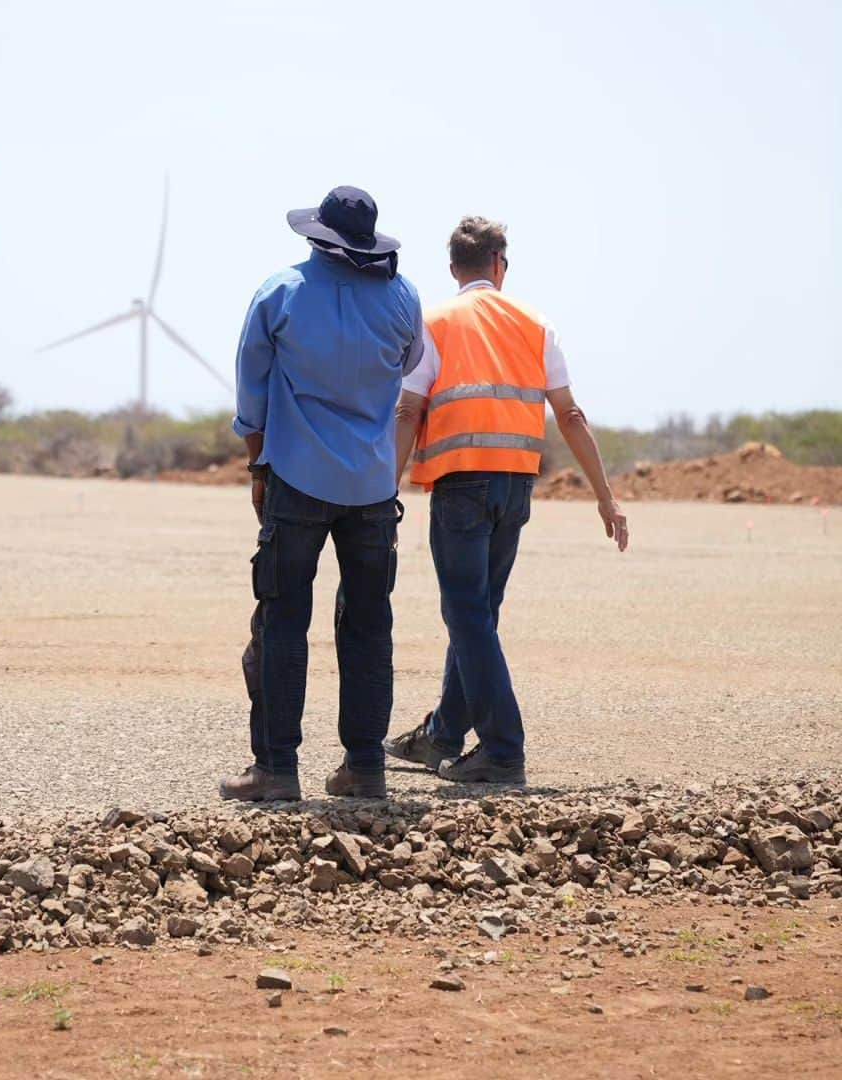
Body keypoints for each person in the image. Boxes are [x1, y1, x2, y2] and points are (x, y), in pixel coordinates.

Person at [385, 216, 628, 785]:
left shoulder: (434, 321)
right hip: (516, 485)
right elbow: (569, 414)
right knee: (479, 614)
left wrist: (382, 493)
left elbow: (407, 410)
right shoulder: (536, 324)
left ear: (453, 269)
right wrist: (605, 497)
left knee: (467, 613)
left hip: (459, 483)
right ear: (500, 264)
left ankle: (502, 748)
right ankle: (443, 734)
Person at [219, 186, 425, 802]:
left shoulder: (280, 291)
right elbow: (409, 361)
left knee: (283, 620)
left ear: (316, 235)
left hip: (297, 477)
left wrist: (258, 469)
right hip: (371, 483)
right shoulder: (403, 295)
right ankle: (364, 765)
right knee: (368, 625)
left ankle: (277, 769)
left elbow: (251, 390)